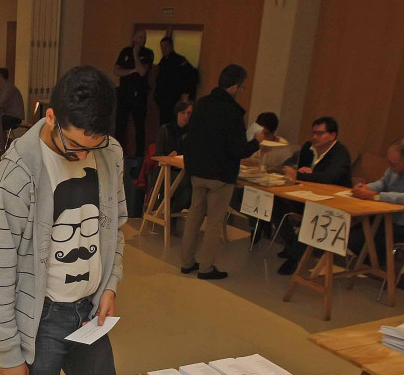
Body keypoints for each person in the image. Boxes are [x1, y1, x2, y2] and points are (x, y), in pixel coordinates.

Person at [0, 65, 126, 375]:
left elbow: (115, 229)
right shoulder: (14, 177)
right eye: (74, 144)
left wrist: (110, 285)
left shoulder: (110, 154)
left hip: (91, 314)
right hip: (40, 321)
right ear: (51, 117)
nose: (84, 154)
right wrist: (10, 356)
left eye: (94, 145)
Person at [180, 64, 263, 281]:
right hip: (220, 175)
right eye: (242, 87)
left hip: (197, 171)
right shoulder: (233, 112)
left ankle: (186, 262)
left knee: (194, 217)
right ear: (235, 87)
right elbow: (237, 150)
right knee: (214, 223)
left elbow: (190, 136)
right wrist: (256, 143)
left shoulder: (201, 104)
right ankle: (206, 267)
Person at [275, 116, 353, 274]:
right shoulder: (308, 148)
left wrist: (300, 175)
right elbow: (290, 165)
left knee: (313, 214)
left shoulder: (340, 153)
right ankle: (291, 242)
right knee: (276, 202)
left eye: (320, 133)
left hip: (333, 203)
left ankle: (294, 258)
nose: (314, 137)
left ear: (333, 135)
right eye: (313, 133)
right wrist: (296, 171)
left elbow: (330, 177)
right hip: (306, 195)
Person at [346, 136, 404, 265]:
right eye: (388, 161)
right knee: (349, 233)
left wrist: (375, 196)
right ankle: (373, 265)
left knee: (359, 239)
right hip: (387, 217)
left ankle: (380, 267)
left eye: (393, 164)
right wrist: (364, 188)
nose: (389, 166)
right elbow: (382, 183)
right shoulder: (397, 163)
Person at [147, 98, 193, 213]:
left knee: (191, 188)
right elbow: (158, 154)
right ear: (177, 113)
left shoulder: (193, 132)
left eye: (189, 113)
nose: (186, 116)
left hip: (184, 171)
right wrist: (168, 157)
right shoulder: (166, 130)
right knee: (183, 185)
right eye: (183, 113)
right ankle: (169, 215)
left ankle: (172, 214)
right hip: (165, 171)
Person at [114, 28, 153, 158]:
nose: (143, 40)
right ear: (134, 38)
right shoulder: (125, 51)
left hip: (139, 94)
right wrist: (132, 71)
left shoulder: (148, 53)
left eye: (144, 37)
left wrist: (136, 54)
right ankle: (117, 154)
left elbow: (142, 71)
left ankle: (139, 157)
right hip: (124, 92)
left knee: (139, 126)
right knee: (120, 125)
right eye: (140, 37)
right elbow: (117, 70)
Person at [154, 36, 199, 126]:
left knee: (175, 124)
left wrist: (187, 93)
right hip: (164, 100)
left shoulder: (180, 60)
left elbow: (193, 76)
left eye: (166, 46)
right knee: (164, 125)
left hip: (175, 99)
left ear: (171, 47)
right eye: (162, 47)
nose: (163, 49)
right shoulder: (163, 62)